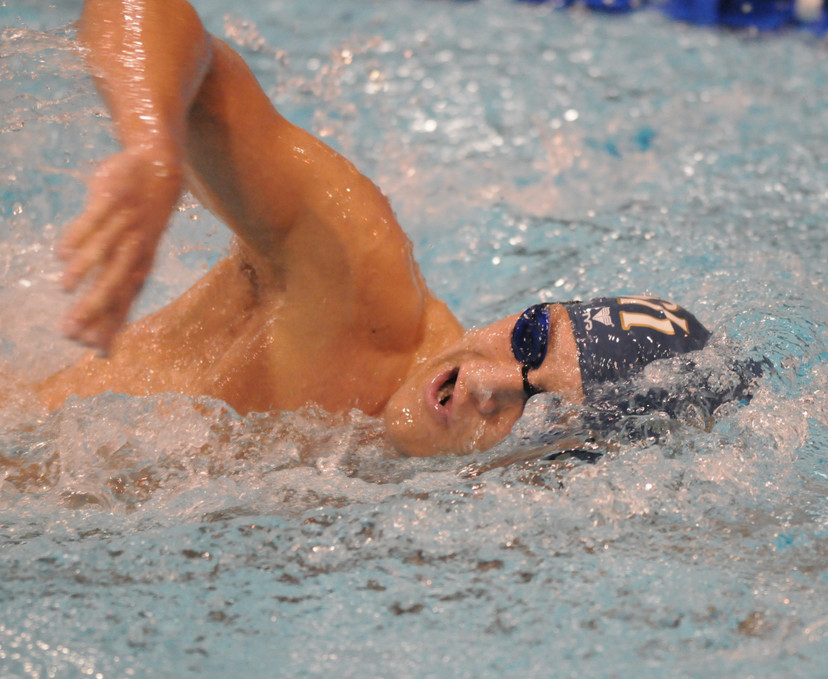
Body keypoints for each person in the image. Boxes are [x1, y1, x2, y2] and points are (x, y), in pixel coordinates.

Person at [34, 0, 715, 458]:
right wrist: (153, 146)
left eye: (542, 409)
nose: (490, 382)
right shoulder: (357, 292)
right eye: (531, 337)